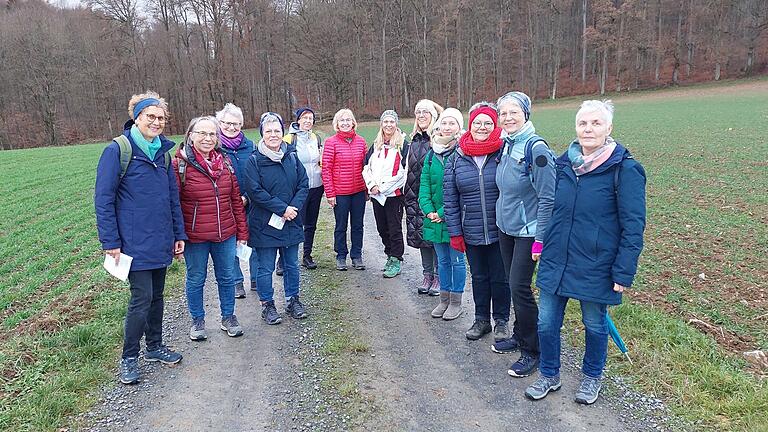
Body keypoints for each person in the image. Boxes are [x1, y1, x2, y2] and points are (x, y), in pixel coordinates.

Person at [525, 100, 646, 405]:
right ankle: (550, 375)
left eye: (595, 123)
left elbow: (634, 227)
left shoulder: (625, 170)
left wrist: (623, 271)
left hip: (596, 263)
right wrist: (542, 242)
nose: (588, 129)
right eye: (583, 123)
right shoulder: (563, 164)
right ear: (576, 127)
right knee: (546, 322)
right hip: (557, 258)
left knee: (594, 323)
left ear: (609, 128)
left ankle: (592, 378)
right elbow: (550, 207)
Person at [95, 91, 186, 385]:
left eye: (161, 118)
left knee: (157, 296)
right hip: (132, 242)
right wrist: (110, 241)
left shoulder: (163, 153)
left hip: (161, 239)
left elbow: (173, 198)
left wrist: (178, 233)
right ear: (138, 117)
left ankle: (155, 347)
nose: (157, 122)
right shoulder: (118, 151)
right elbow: (103, 199)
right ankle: (129, 357)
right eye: (151, 117)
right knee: (142, 297)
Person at [491, 91, 556, 378]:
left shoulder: (535, 148)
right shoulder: (507, 145)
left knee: (519, 287)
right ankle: (519, 335)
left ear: (526, 114)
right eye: (503, 113)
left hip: (528, 232)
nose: (507, 118)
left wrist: (541, 237)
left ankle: (532, 351)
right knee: (511, 283)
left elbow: (547, 198)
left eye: (513, 112)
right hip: (506, 228)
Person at [174, 116, 248, 341]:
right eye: (202, 133)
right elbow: (173, 204)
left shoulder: (225, 162)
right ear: (190, 136)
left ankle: (229, 316)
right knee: (196, 278)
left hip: (225, 232)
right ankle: (197, 320)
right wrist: (177, 236)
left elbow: (235, 199)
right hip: (195, 236)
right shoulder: (180, 164)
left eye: (212, 134)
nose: (208, 138)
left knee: (226, 277)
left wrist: (242, 232)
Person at [443, 102, 509, 342]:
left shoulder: (503, 152)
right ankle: (481, 319)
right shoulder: (457, 157)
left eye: (488, 123)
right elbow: (450, 197)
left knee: (500, 277)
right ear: (471, 125)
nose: (483, 127)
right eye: (478, 123)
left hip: (501, 229)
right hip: (470, 229)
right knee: (479, 277)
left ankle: (501, 320)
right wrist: (455, 232)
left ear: (495, 126)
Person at [242, 112, 309, 325]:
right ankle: (267, 304)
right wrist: (282, 209)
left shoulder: (291, 156)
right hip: (264, 224)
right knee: (265, 267)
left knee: (291, 265)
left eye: (277, 131)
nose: (273, 135)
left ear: (283, 133)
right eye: (268, 131)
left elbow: (303, 184)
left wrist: (293, 208)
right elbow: (255, 192)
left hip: (291, 222)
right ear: (262, 133)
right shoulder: (254, 160)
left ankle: (293, 300)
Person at [418, 108, 467, 320]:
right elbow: (424, 187)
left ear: (459, 127)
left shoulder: (463, 153)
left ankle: (456, 302)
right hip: (434, 221)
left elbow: (461, 189)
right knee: (443, 261)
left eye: (452, 123)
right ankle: (444, 300)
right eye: (443, 123)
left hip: (454, 219)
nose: (447, 127)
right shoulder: (431, 155)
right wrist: (429, 211)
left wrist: (442, 212)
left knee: (457, 262)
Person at [216, 103, 256, 299]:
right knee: (230, 244)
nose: (232, 128)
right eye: (227, 123)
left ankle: (256, 277)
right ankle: (237, 281)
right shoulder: (214, 148)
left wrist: (247, 197)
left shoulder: (250, 146)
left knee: (254, 240)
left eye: (237, 124)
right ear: (219, 123)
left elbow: (257, 175)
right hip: (226, 204)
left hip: (251, 201)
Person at [362, 110, 409, 278]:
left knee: (394, 228)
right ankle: (389, 255)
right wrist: (372, 186)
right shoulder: (376, 145)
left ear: (396, 124)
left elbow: (403, 173)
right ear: (381, 124)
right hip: (376, 196)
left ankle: (396, 259)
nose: (388, 125)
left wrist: (383, 188)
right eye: (385, 121)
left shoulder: (403, 145)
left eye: (392, 121)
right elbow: (366, 168)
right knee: (382, 228)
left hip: (394, 196)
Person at [404, 99, 444, 295]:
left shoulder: (438, 139)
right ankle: (427, 275)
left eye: (425, 112)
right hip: (414, 196)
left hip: (433, 197)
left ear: (433, 116)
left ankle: (438, 277)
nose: (421, 115)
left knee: (435, 237)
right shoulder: (414, 140)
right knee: (421, 238)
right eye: (418, 112)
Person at [321, 108, 368, 271]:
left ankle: (357, 255)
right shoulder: (331, 142)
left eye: (348, 120)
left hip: (358, 191)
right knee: (341, 225)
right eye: (342, 120)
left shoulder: (361, 141)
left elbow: (367, 167)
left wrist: (367, 189)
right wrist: (330, 193)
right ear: (337, 124)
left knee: (358, 225)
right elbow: (326, 169)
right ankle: (341, 255)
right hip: (340, 193)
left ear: (353, 122)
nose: (345, 123)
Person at [283, 107, 324, 270]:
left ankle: (306, 255)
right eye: (304, 118)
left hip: (316, 187)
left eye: (310, 118)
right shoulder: (288, 139)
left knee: (311, 224)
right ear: (298, 120)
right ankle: (283, 260)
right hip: (298, 190)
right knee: (293, 223)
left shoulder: (316, 138)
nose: (308, 121)